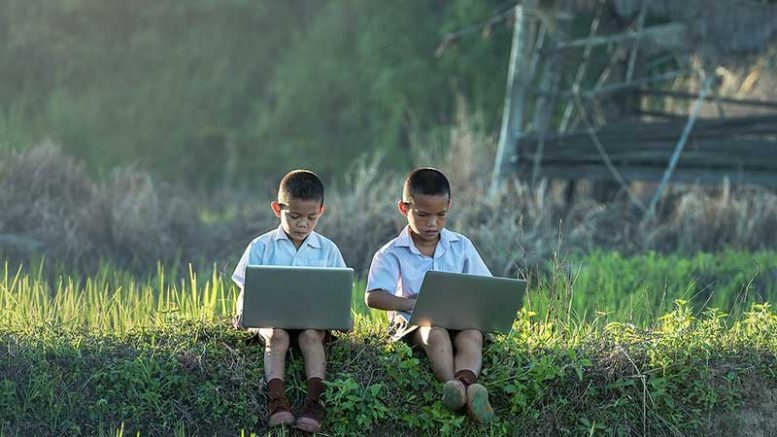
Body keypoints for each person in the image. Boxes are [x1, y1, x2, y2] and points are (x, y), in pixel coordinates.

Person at [364, 167, 496, 424]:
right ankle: (454, 386)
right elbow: (374, 296)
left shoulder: (461, 245)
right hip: (414, 320)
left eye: (441, 215)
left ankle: (463, 385)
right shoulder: (392, 252)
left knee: (472, 335)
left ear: (449, 207)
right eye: (423, 215)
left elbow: (485, 284)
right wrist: (411, 303)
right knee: (434, 333)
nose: (432, 223)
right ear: (404, 208)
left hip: (456, 316)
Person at [232, 169, 346, 432]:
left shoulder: (328, 250)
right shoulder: (261, 246)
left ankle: (314, 402)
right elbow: (245, 290)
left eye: (311, 218)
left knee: (311, 337)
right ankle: (277, 401)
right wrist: (241, 311)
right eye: (294, 216)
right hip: (271, 319)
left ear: (322, 211)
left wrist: (342, 316)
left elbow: (337, 292)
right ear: (277, 208)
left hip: (312, 322)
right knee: (277, 335)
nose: (302, 224)